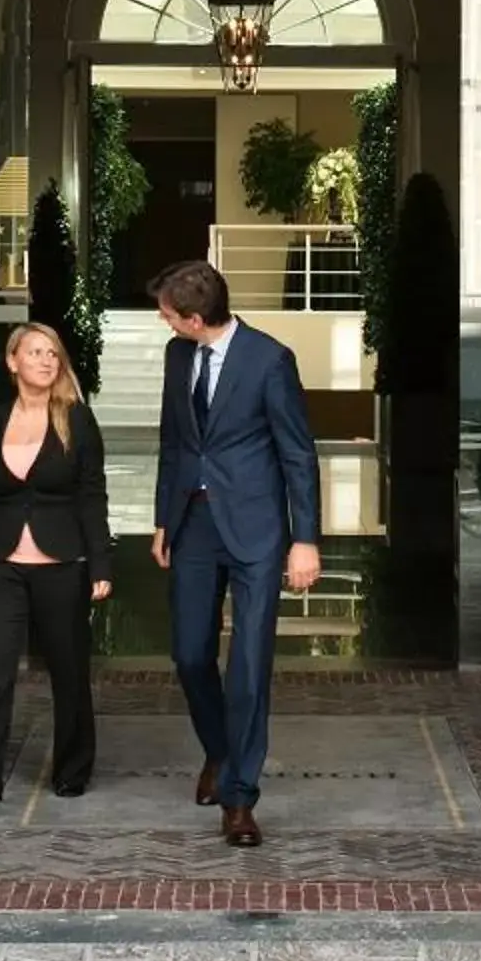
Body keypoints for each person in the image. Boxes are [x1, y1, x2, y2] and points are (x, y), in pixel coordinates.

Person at [150, 256, 321, 847]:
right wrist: (161, 520)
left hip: (256, 531)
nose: (164, 321)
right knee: (190, 653)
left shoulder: (270, 360)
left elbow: (298, 453)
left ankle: (240, 797)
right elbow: (173, 440)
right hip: (193, 526)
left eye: (169, 314)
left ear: (196, 318)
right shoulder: (178, 355)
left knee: (248, 664)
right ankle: (219, 753)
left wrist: (306, 539)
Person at [0, 321, 112, 820]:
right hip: (0, 566)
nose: (46, 361)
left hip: (62, 565)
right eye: (35, 352)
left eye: (53, 355)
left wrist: (100, 563)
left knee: (68, 672)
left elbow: (91, 496)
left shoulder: (77, 420)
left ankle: (72, 767)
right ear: (12, 360)